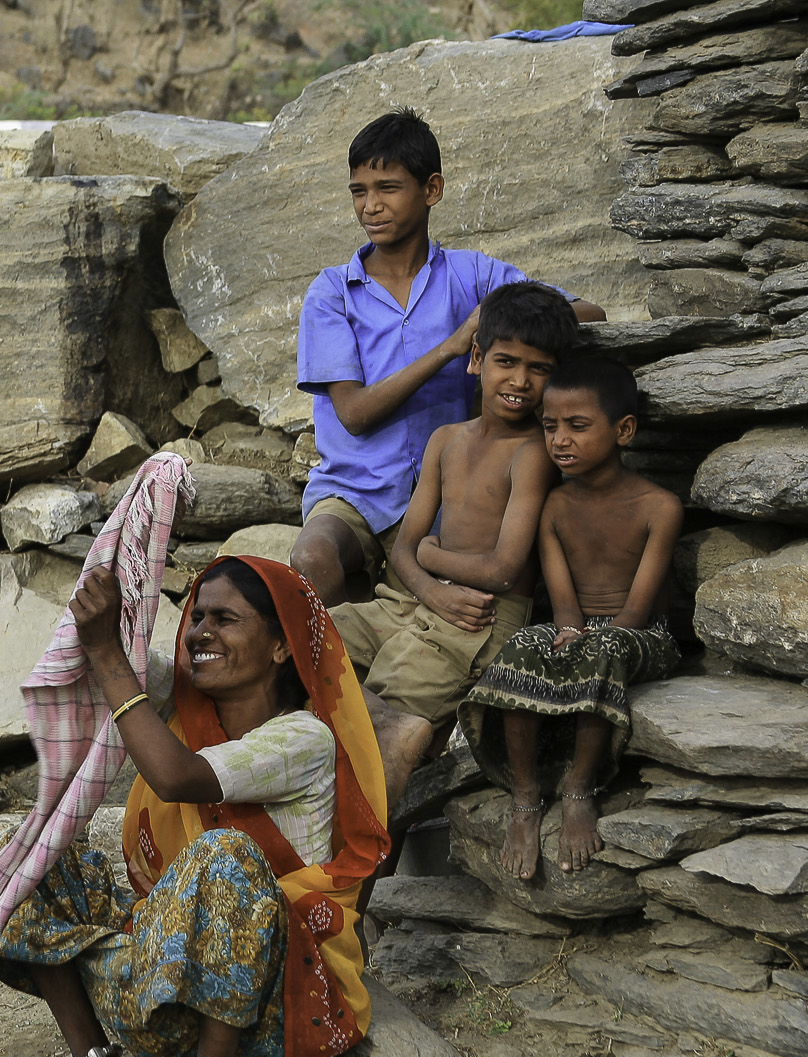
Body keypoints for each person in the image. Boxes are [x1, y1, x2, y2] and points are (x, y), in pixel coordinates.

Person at [0, 556, 389, 1057]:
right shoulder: (184, 712)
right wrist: (107, 599)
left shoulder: (303, 739)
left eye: (225, 619)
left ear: (282, 647)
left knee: (226, 854)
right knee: (36, 860)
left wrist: (108, 655)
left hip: (273, 1009)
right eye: (197, 616)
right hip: (167, 992)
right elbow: (103, 669)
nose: (201, 631)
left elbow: (175, 777)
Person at [290, 108, 605, 613]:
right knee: (312, 558)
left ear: (431, 189)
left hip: (449, 494)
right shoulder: (332, 293)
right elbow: (353, 413)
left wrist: (503, 319)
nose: (371, 206)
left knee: (432, 612)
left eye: (388, 188)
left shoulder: (472, 274)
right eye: (358, 191)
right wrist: (451, 347)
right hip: (354, 491)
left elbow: (587, 312)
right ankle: (339, 665)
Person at [328, 282, 574, 806]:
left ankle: (374, 817)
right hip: (416, 600)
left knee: (385, 706)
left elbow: (504, 569)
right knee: (309, 635)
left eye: (539, 369)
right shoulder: (446, 440)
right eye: (506, 361)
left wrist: (432, 557)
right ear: (477, 359)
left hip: (477, 619)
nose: (520, 381)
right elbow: (402, 550)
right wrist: (430, 586)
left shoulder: (532, 454)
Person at [459, 358, 682, 878]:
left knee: (605, 646)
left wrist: (592, 637)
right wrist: (567, 630)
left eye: (577, 426)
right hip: (576, 627)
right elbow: (562, 601)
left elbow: (637, 609)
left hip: (642, 634)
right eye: (550, 426)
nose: (560, 440)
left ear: (624, 430)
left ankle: (580, 789)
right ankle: (525, 795)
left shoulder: (659, 506)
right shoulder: (554, 507)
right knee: (521, 645)